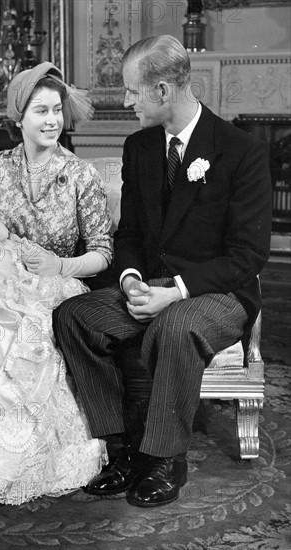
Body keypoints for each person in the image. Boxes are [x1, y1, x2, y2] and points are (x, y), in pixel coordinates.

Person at [53, 35, 272, 508]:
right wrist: (131, 278)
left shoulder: (242, 151)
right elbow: (129, 232)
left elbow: (247, 257)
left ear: (163, 91)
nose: (127, 101)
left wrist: (174, 292)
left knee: (177, 323)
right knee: (74, 316)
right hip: (151, 286)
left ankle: (163, 459)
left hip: (219, 293)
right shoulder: (139, 148)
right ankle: (123, 450)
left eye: (133, 91)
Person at [0, 62, 113, 509]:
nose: (52, 120)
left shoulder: (81, 176)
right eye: (40, 111)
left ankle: (30, 463)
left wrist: (59, 265)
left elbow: (102, 254)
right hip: (1, 285)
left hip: (58, 285)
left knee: (32, 332)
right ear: (19, 117)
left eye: (56, 110)